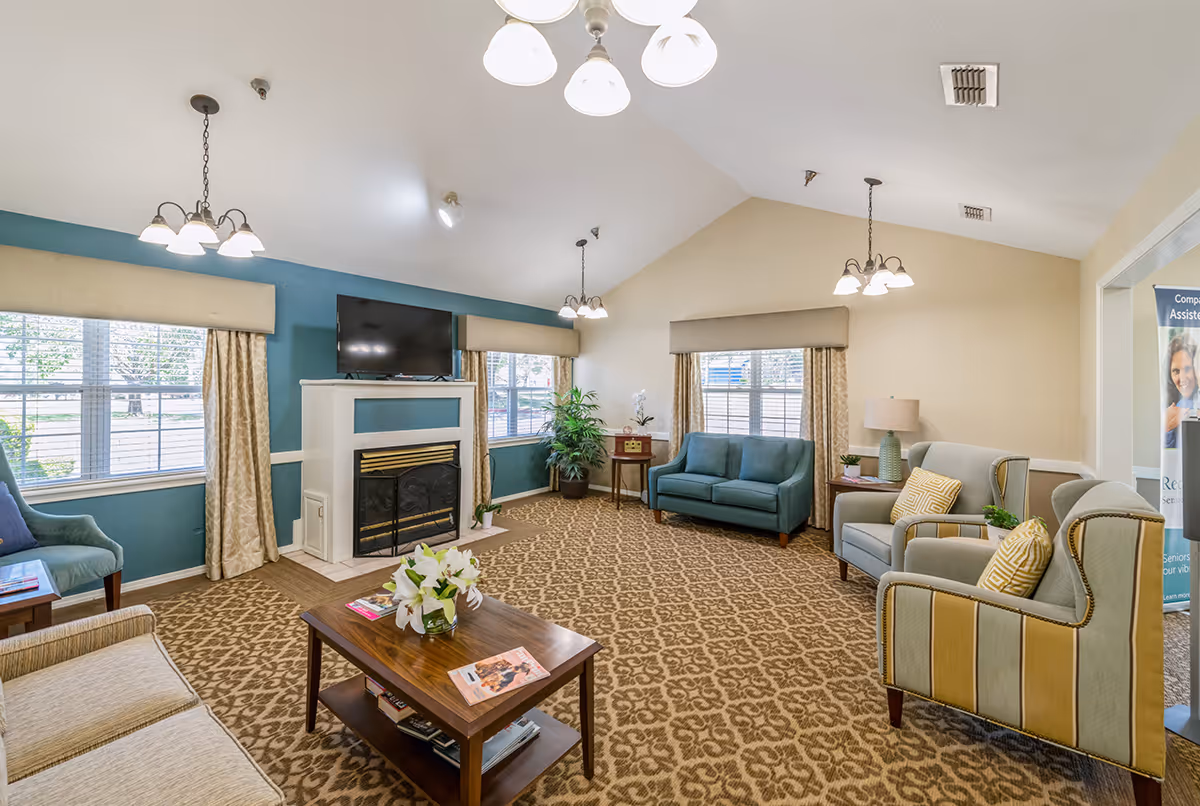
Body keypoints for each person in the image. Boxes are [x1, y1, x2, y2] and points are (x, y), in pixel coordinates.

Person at [1164, 334, 1199, 449]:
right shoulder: (1177, 405)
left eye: (1187, 368)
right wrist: (1167, 427)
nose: (1182, 378)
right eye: (1176, 371)